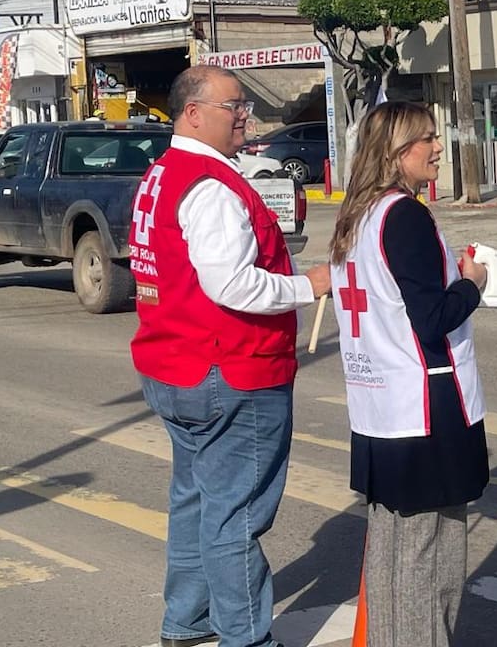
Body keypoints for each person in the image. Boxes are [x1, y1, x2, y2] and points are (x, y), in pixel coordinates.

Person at [130, 65, 332, 647]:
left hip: (175, 364)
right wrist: (308, 285)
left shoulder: (164, 173)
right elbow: (233, 286)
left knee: (197, 501)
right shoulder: (211, 186)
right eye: (232, 106)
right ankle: (245, 637)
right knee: (235, 515)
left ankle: (186, 622)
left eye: (243, 104)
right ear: (193, 112)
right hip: (229, 368)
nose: (244, 114)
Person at [329, 102, 489, 647]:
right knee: (433, 551)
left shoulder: (356, 214)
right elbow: (432, 318)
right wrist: (472, 283)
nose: (438, 147)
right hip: (425, 404)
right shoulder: (404, 215)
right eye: (427, 138)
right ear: (398, 152)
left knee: (393, 546)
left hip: (379, 404)